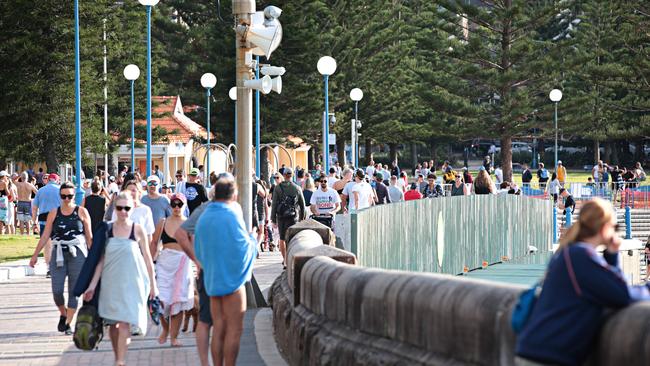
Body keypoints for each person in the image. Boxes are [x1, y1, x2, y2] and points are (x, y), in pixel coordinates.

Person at [515, 198, 650, 366]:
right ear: (604, 228)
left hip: (538, 351)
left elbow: (611, 288)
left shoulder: (570, 252)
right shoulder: (581, 256)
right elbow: (622, 294)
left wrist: (612, 254)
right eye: (615, 228)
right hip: (547, 356)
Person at [83, 192, 157, 366]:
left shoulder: (137, 229)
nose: (123, 212)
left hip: (132, 282)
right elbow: (100, 261)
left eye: (127, 208)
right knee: (113, 325)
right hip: (111, 282)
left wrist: (154, 286)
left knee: (125, 323)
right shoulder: (107, 229)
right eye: (119, 208)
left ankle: (120, 361)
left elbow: (148, 258)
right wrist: (92, 286)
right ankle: (118, 356)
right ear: (114, 209)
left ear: (132, 208)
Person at [194, 175, 257, 366]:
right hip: (232, 281)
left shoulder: (205, 216)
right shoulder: (231, 214)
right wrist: (254, 239)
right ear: (234, 194)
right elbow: (243, 247)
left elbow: (199, 248)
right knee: (234, 330)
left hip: (212, 279)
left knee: (218, 329)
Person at [29, 182, 92, 335]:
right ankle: (63, 314)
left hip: (77, 254)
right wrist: (35, 254)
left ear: (74, 196)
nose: (66, 199)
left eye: (69, 196)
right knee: (57, 291)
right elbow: (45, 235)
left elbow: (89, 237)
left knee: (74, 292)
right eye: (63, 196)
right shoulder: (54, 212)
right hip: (58, 253)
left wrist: (94, 259)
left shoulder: (82, 212)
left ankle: (68, 323)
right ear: (60, 196)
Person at [151, 193, 193, 347]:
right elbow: (154, 242)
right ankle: (165, 329)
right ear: (170, 206)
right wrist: (150, 260)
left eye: (179, 204)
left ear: (184, 205)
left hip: (183, 263)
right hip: (165, 263)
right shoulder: (163, 222)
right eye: (173, 204)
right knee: (161, 300)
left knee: (178, 300)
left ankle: (174, 337)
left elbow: (194, 246)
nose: (176, 207)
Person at [270, 167, 306, 266]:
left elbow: (274, 204)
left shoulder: (278, 187)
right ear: (292, 175)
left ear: (284, 175)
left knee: (282, 238)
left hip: (281, 216)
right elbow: (302, 205)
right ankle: (291, 259)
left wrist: (273, 219)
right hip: (293, 216)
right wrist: (302, 218)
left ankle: (285, 260)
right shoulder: (297, 188)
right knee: (292, 238)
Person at [32, 173, 61, 276]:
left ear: (48, 180)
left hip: (44, 220)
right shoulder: (60, 190)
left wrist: (34, 221)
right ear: (57, 180)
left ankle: (49, 268)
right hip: (57, 219)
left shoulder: (40, 191)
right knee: (57, 243)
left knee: (47, 245)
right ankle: (57, 266)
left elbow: (35, 207)